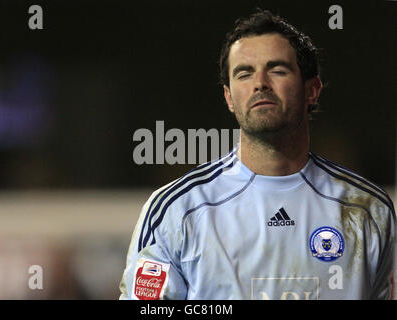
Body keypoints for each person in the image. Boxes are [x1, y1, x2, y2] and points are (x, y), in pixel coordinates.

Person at [119, 8, 396, 300]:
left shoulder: (367, 211)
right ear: (228, 97)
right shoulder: (177, 212)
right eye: (244, 73)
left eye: (277, 70)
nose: (260, 83)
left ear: (312, 90)